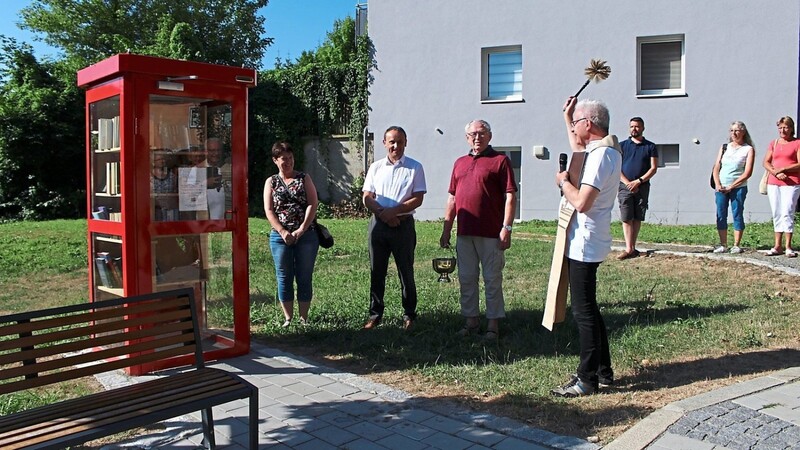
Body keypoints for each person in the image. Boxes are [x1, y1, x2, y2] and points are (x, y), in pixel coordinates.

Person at [551, 97, 621, 397]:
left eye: (578, 122)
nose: (574, 128)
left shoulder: (601, 155)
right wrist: (568, 117)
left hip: (585, 242)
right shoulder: (601, 150)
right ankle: (603, 372)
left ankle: (587, 379)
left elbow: (582, 202)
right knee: (589, 307)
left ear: (589, 124)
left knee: (583, 313)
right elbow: (578, 145)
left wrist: (563, 182)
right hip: (586, 239)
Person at [440, 119, 517, 341]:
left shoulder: (500, 161)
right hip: (464, 232)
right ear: (466, 138)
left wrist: (507, 227)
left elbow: (510, 195)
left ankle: (493, 326)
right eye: (472, 134)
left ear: (489, 136)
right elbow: (452, 197)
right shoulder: (459, 163)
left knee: (492, 279)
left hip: (491, 233)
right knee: (466, 278)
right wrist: (447, 229)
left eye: (481, 133)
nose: (477, 137)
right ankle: (471, 321)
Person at [362, 126, 427, 331]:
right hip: (378, 226)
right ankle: (375, 314)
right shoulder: (376, 167)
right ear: (384, 143)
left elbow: (418, 198)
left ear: (406, 142)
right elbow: (366, 196)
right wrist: (383, 213)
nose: (395, 146)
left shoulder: (415, 167)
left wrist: (395, 212)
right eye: (391, 142)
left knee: (405, 272)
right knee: (377, 271)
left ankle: (409, 315)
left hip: (403, 226)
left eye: (399, 141)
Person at [263, 142, 320, 326]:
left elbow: (313, 203)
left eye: (290, 158)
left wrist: (301, 229)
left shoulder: (304, 178)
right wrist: (283, 231)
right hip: (280, 237)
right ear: (275, 161)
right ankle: (288, 318)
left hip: (306, 235)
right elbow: (269, 210)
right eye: (283, 159)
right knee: (284, 275)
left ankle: (304, 318)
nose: (287, 162)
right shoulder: (271, 182)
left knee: (304, 275)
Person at [711, 121, 755, 254]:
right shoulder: (725, 147)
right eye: (731, 130)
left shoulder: (748, 149)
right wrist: (718, 183)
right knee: (721, 213)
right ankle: (723, 244)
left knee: (737, 213)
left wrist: (732, 186)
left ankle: (736, 244)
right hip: (721, 187)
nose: (734, 133)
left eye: (737, 130)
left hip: (738, 187)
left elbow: (748, 173)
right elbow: (717, 167)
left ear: (743, 132)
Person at [617, 117, 658, 260]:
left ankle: (632, 248)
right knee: (626, 216)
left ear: (643, 128)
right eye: (632, 126)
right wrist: (628, 183)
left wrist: (639, 181)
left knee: (637, 216)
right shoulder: (621, 146)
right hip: (624, 186)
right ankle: (628, 248)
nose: (634, 129)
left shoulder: (650, 146)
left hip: (642, 186)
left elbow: (653, 168)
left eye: (637, 126)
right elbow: (616, 167)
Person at [763, 116, 800, 257]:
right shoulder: (774, 143)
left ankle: (788, 246)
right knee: (777, 212)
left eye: (785, 127)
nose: (782, 130)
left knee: (787, 212)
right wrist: (776, 173)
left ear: (791, 129)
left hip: (792, 183)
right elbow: (766, 162)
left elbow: (799, 163)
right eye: (780, 127)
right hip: (774, 182)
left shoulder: (797, 143)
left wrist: (783, 169)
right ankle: (777, 245)